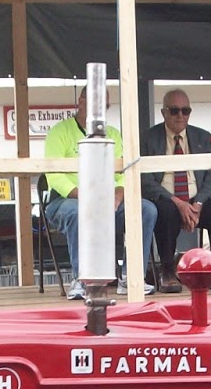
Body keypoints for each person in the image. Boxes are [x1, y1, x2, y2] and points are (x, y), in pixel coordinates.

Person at [43, 85, 157, 300]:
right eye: (95, 104)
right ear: (81, 101)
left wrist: (118, 194)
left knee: (145, 209)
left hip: (108, 199)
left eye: (103, 106)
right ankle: (82, 279)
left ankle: (131, 277)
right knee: (77, 212)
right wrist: (84, 196)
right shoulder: (60, 131)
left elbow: (125, 171)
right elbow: (54, 175)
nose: (99, 110)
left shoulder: (113, 134)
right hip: (68, 199)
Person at [140, 89, 211, 291]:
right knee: (164, 211)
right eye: (174, 110)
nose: (180, 116)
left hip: (196, 202)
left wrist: (198, 203)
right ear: (163, 113)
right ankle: (167, 271)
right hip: (167, 200)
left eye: (185, 111)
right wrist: (177, 202)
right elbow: (145, 180)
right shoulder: (149, 138)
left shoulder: (201, 136)